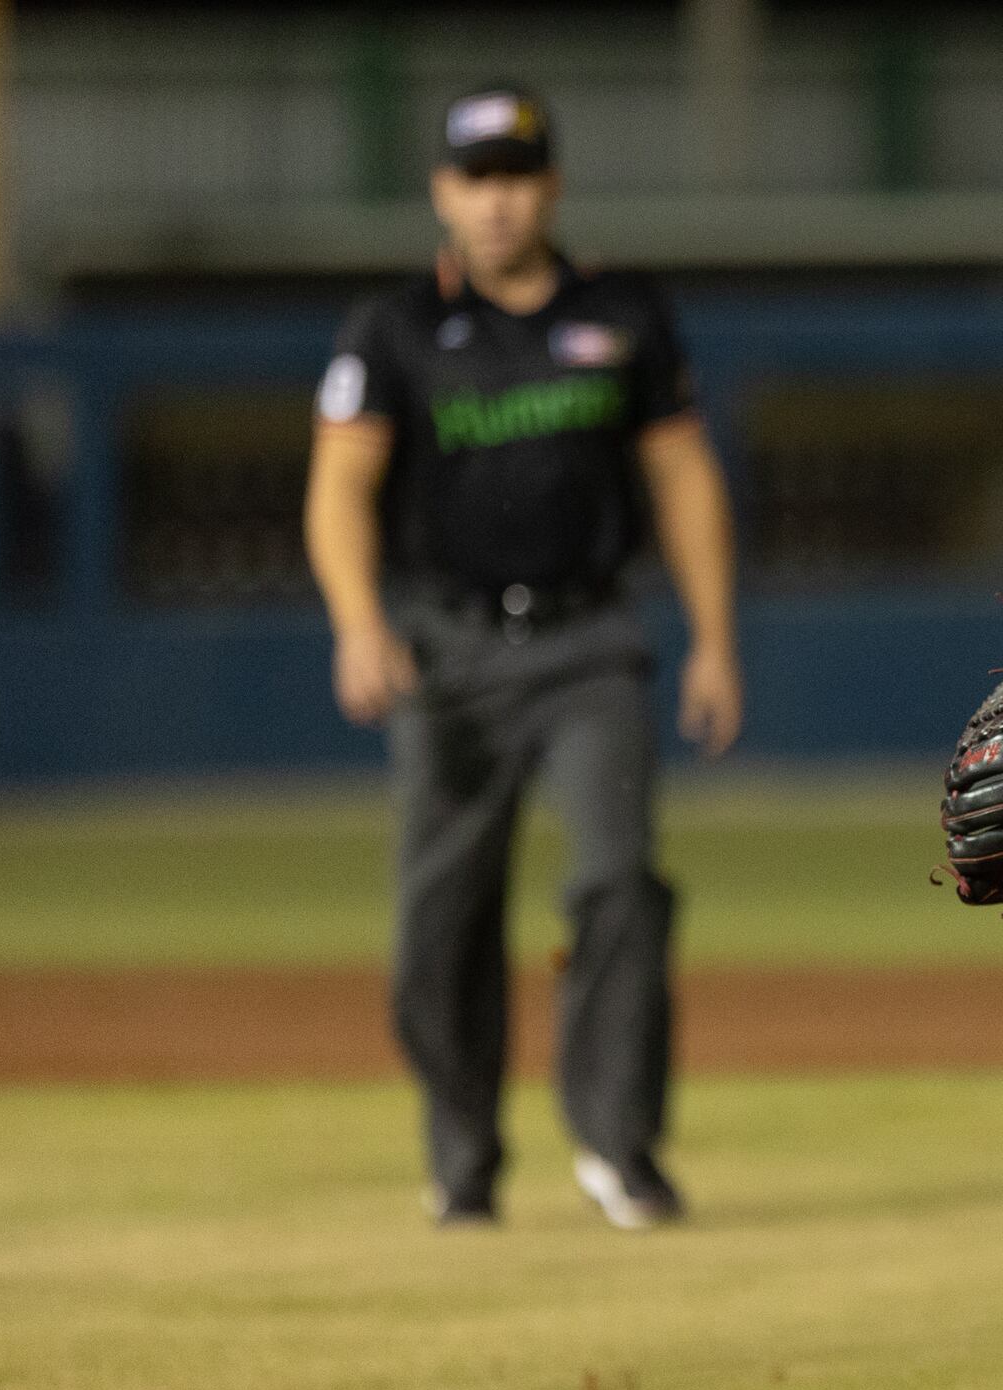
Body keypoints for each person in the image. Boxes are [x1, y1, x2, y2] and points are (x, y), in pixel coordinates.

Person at [304, 84, 743, 1230]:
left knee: (615, 879)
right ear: (444, 194)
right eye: (474, 178)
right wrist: (357, 622)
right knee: (438, 923)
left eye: (515, 175)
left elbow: (684, 478)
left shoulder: (624, 312)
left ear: (549, 185)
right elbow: (340, 490)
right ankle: (462, 1159)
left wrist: (713, 639)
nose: (496, 201)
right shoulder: (393, 329)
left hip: (589, 641)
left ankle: (617, 1146)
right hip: (444, 649)